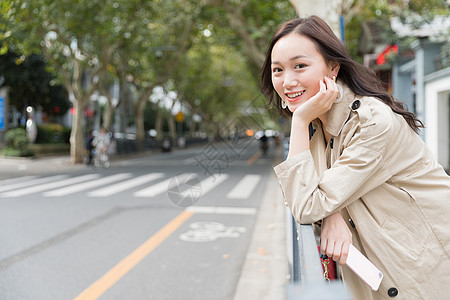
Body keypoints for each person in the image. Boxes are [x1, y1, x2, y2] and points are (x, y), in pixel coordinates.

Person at [261, 16, 450, 299]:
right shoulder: (318, 123)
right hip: (381, 273)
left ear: (333, 68)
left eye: (300, 66)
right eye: (278, 70)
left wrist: (298, 121)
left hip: (426, 271)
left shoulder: (370, 123)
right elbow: (308, 198)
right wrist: (332, 213)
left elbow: (307, 204)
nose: (287, 81)